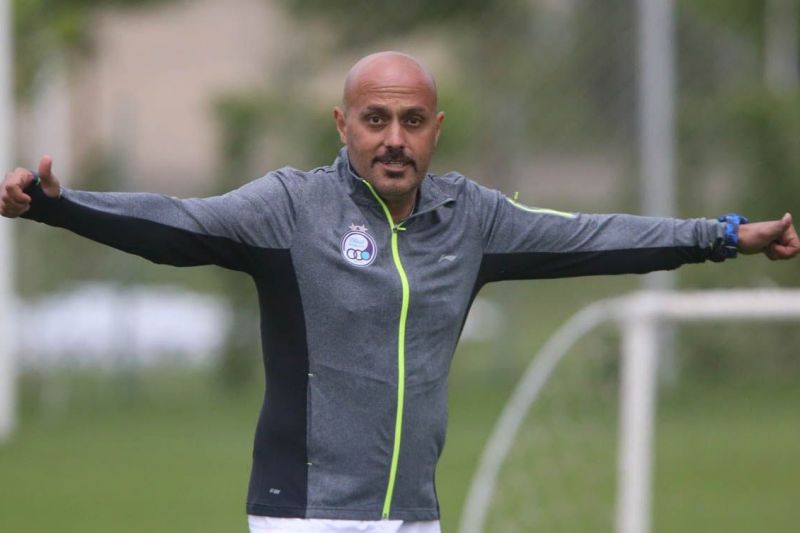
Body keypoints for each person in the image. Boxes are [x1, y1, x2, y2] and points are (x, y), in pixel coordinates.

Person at [2, 51, 799, 533]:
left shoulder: (472, 219)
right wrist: (59, 206)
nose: (393, 138)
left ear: (436, 128)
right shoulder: (291, 208)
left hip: (416, 514)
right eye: (375, 118)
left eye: (411, 120)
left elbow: (594, 235)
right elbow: (177, 223)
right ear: (341, 123)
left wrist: (723, 235)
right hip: (304, 515)